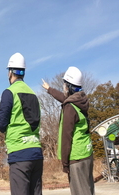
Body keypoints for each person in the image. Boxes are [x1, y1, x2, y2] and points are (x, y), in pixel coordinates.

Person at [42, 66, 94, 195]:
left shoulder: (70, 108)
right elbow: (64, 98)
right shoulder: (80, 101)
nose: (63, 87)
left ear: (69, 86)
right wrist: (49, 89)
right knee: (88, 189)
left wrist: (65, 164)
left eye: (65, 84)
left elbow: (66, 137)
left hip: (76, 158)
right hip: (87, 153)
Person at [0, 52, 43, 195]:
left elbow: (1, 125)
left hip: (19, 153)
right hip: (36, 152)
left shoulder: (9, 93)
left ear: (10, 72)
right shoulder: (33, 94)